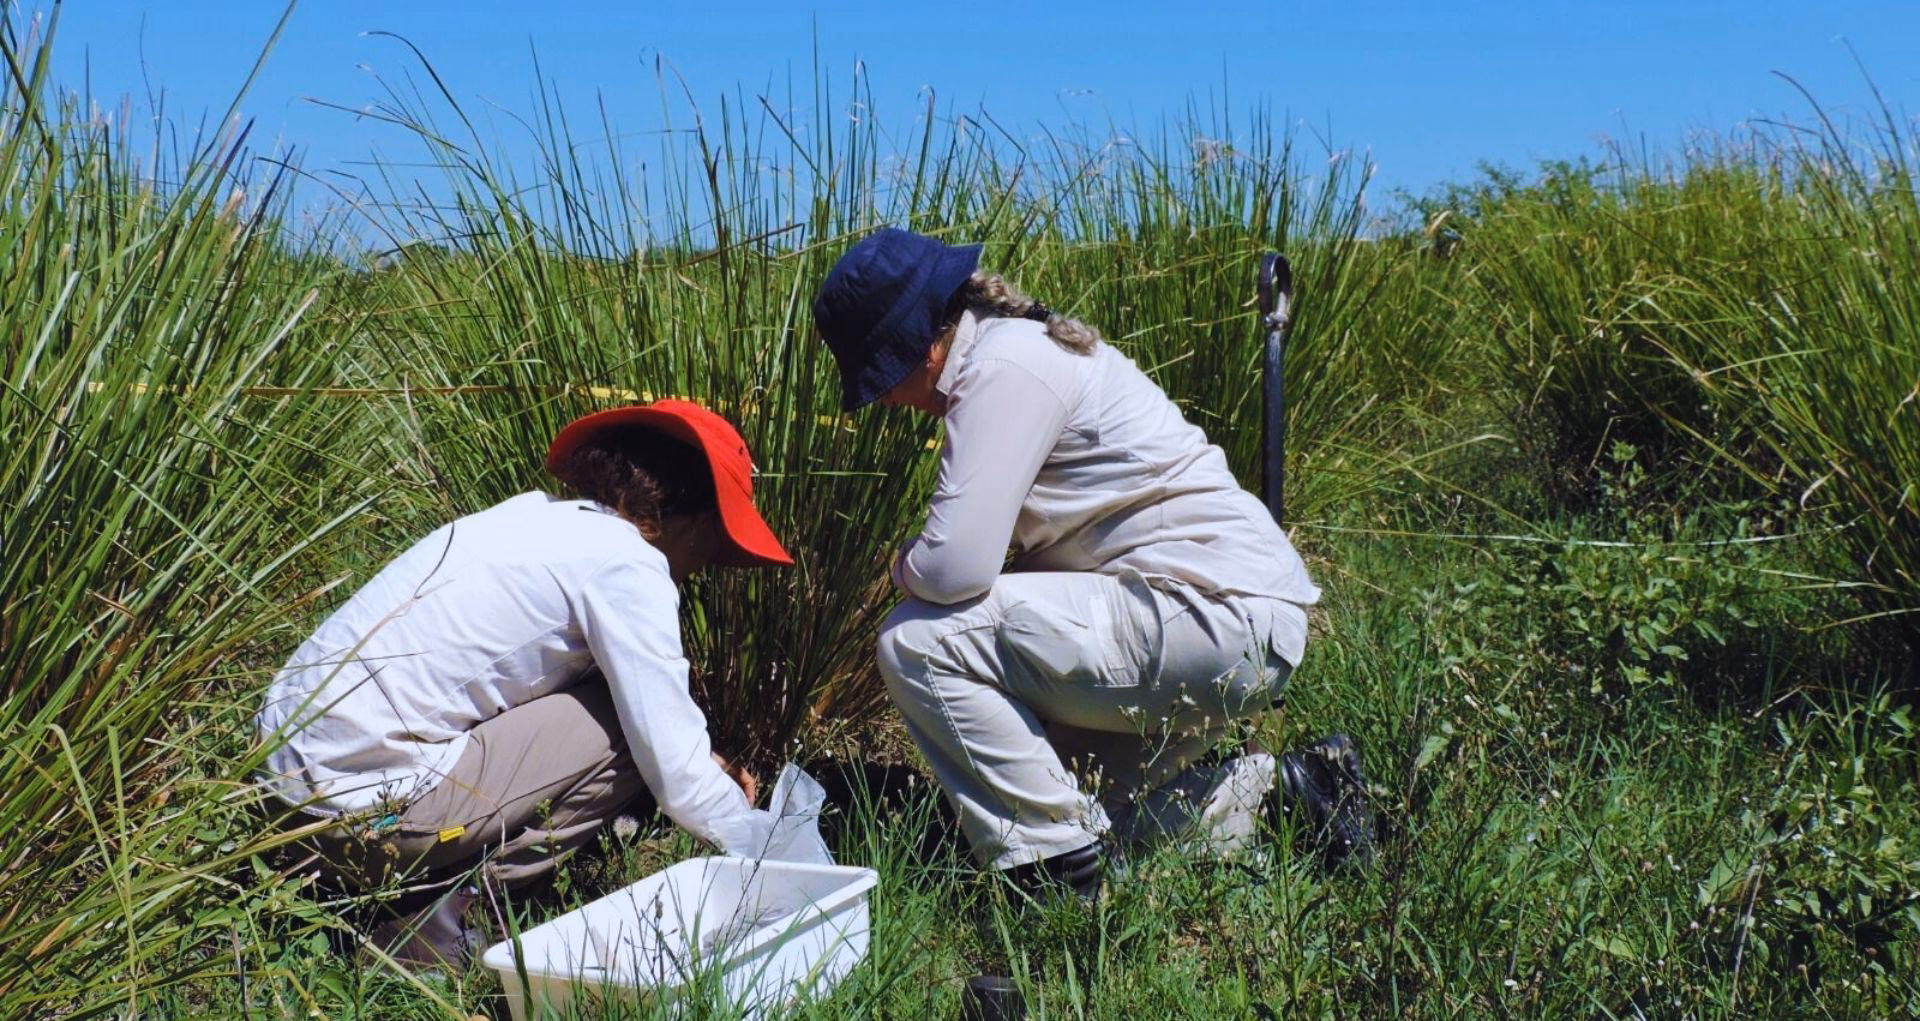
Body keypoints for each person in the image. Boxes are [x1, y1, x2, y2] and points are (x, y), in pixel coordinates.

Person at [813, 228, 1360, 901]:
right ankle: (1286, 793)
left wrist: (901, 566)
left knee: (917, 641)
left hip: (1209, 616)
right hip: (1219, 621)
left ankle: (1053, 881)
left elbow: (955, 569)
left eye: (883, 381)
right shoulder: (1012, 352)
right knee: (1088, 810)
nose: (888, 402)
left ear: (923, 346)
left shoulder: (1004, 369)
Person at [255, 400, 791, 969]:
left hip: (279, 799)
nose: (705, 564)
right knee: (625, 735)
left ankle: (392, 900)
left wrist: (695, 749)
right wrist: (763, 849)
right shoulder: (627, 566)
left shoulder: (533, 519)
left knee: (624, 715)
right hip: (360, 816)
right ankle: (442, 928)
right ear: (700, 519)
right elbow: (674, 772)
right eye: (715, 543)